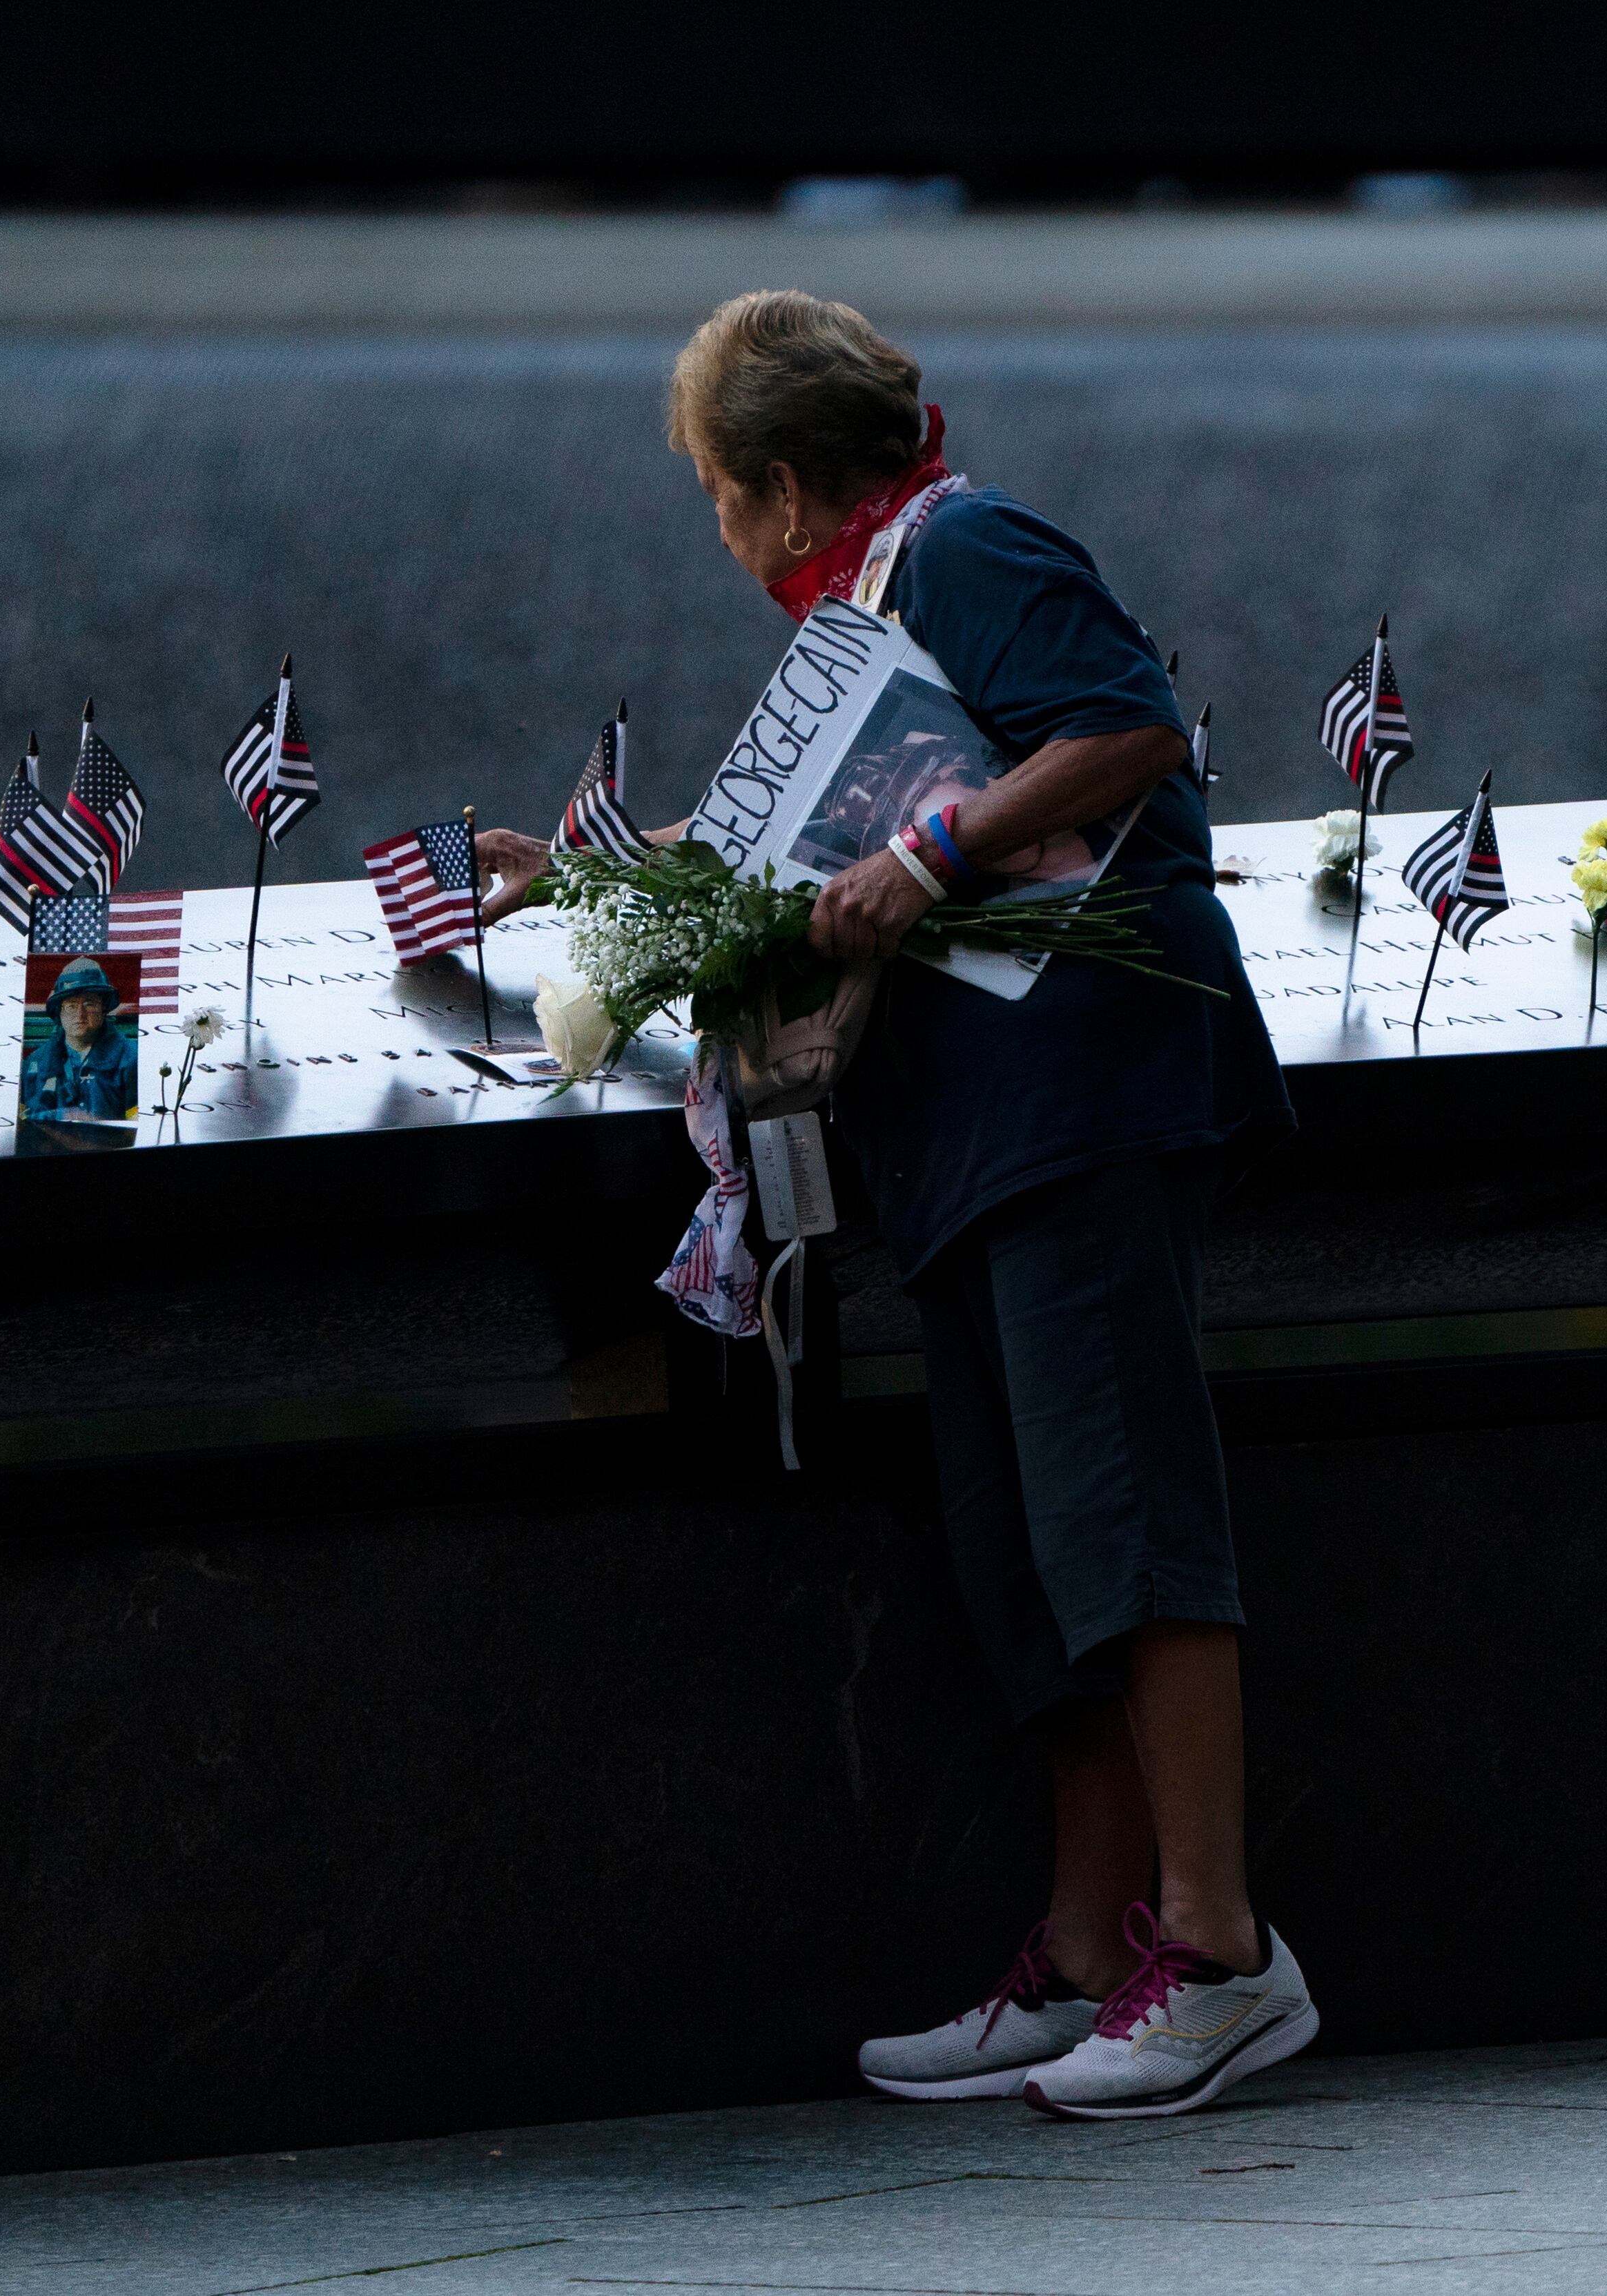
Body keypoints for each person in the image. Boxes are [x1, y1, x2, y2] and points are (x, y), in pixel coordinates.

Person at [476, 291, 1307, 2121]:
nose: (714, 526)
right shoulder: (864, 610)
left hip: (1078, 1095)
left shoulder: (973, 543)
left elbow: (1129, 731)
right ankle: (1093, 1948)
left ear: (780, 483)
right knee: (1033, 1544)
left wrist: (932, 855)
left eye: (712, 488)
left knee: (1131, 1510)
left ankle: (1224, 1947)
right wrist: (592, 876)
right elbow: (808, 847)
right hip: (964, 1134)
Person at [21, 956, 137, 1120]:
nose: (79, 1014)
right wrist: (61, 1116)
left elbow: (137, 1125)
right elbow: (23, 1121)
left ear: (103, 1009)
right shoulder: (34, 1064)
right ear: (59, 1012)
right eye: (71, 1005)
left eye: (89, 1004)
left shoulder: (131, 1060)